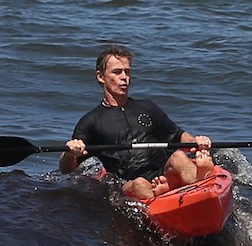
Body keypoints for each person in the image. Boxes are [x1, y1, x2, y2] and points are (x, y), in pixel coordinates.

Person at [60, 46, 214, 201]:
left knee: (179, 157)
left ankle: (201, 189)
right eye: (117, 72)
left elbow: (179, 136)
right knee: (140, 184)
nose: (124, 77)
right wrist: (69, 153)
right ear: (101, 77)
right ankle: (162, 199)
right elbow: (66, 168)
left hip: (163, 171)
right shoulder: (91, 121)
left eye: (127, 72)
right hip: (129, 182)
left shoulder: (148, 108)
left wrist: (196, 141)